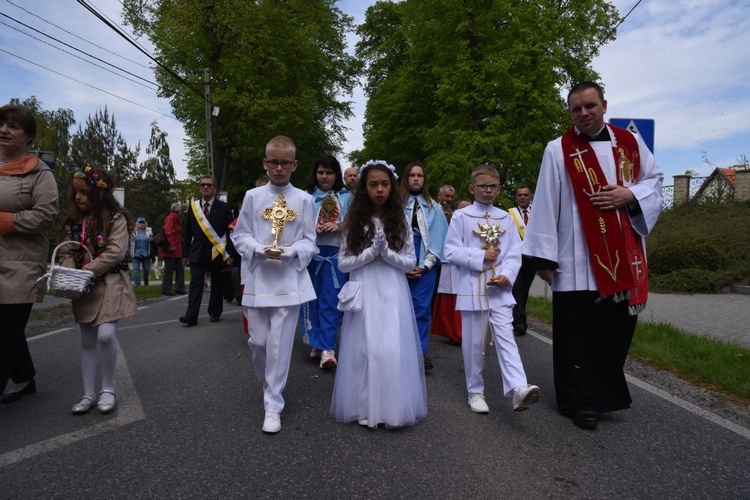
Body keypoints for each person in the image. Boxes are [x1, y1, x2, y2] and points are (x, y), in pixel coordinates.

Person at [523, 81, 663, 430]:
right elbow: (544, 203)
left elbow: (655, 181)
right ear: (570, 113)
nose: (584, 113)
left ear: (604, 105)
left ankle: (602, 395)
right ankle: (577, 401)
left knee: (614, 332)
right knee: (575, 335)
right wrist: (543, 257)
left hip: (623, 257)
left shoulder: (630, 143)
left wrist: (628, 196)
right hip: (575, 259)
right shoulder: (558, 149)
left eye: (590, 106)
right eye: (576, 109)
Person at [231, 135, 318, 433]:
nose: (279, 168)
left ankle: (273, 404)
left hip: (288, 278)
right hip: (258, 276)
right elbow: (239, 235)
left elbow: (310, 241)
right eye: (273, 162)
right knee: (258, 342)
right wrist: (257, 249)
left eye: (285, 163)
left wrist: (293, 252)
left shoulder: (305, 200)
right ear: (264, 163)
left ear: (294, 165)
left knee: (280, 345)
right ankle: (268, 382)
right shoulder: (253, 197)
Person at [331, 160, 427, 429]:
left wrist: (387, 254)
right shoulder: (354, 222)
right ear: (365, 188)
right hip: (365, 288)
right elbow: (343, 263)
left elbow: (410, 262)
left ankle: (390, 407)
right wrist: (369, 253)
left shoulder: (400, 221)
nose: (380, 189)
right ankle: (364, 405)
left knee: (391, 348)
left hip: (392, 290)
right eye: (373, 184)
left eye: (385, 184)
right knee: (367, 348)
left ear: (392, 187)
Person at [444, 163, 540, 415]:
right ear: (472, 188)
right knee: (475, 343)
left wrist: (507, 276)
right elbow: (451, 251)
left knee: (506, 337)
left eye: (493, 186)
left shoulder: (505, 217)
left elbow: (513, 254)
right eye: (483, 186)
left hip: (499, 289)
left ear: (499, 188)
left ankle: (519, 388)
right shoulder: (461, 217)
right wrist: (480, 256)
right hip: (472, 287)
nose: (488, 191)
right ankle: (475, 390)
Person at [59, 167, 137, 414]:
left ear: (99, 194)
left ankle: (108, 387)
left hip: (111, 282)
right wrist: (72, 272)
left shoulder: (116, 218)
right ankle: (88, 393)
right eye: (76, 193)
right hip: (84, 287)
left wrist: (87, 270)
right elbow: (66, 250)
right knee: (87, 340)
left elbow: (116, 251)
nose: (78, 197)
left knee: (105, 335)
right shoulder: (74, 221)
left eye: (84, 192)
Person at [0, 105, 58, 404]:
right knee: (8, 330)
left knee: (6, 330)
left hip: (21, 264)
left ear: (29, 136)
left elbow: (47, 216)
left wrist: (10, 222)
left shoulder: (39, 173)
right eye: (1, 125)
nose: (4, 130)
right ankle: (23, 378)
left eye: (13, 126)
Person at [300, 154, 351, 369]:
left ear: (336, 174)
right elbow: (296, 226)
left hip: (336, 254)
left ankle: (328, 347)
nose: (324, 176)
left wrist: (340, 226)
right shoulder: (305, 196)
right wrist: (312, 228)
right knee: (311, 300)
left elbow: (357, 222)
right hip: (311, 255)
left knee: (331, 300)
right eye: (320, 172)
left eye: (329, 173)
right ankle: (317, 341)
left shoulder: (347, 196)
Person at [401, 161, 448, 370]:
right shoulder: (395, 204)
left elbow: (440, 238)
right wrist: (402, 264)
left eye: (420, 175)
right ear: (406, 178)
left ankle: (419, 352)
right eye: (412, 175)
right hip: (399, 261)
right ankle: (398, 351)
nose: (416, 179)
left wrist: (426, 264)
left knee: (421, 307)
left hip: (426, 261)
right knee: (399, 308)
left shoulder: (434, 208)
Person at [180, 175, 234, 326]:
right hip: (197, 252)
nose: (205, 187)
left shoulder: (223, 208)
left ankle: (215, 312)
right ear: (199, 188)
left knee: (217, 283)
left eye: (209, 185)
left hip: (217, 251)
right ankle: (191, 315)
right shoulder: (193, 207)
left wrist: (230, 253)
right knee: (196, 283)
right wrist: (185, 253)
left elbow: (231, 233)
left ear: (214, 189)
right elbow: (188, 232)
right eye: (203, 185)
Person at [430, 197, 471, 346]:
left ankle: (465, 333)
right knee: (449, 300)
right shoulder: (447, 224)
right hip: (450, 266)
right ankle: (453, 333)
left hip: (469, 266)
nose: (464, 212)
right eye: (461, 209)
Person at [508, 185, 535, 336]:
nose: (523, 197)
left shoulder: (537, 213)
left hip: (531, 258)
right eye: (520, 195)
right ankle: (519, 322)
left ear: (530, 197)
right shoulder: (510, 214)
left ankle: (518, 317)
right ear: (516, 197)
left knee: (524, 290)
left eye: (525, 195)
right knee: (517, 288)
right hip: (516, 257)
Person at [159, 202, 186, 296]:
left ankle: (179, 288)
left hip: (177, 248)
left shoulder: (176, 219)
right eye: (181, 210)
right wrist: (171, 245)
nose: (181, 212)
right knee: (169, 270)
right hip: (171, 248)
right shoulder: (171, 218)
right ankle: (167, 289)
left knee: (180, 268)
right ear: (177, 211)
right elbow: (168, 232)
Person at [131, 216, 153, 286]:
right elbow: (130, 241)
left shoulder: (149, 230)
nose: (141, 224)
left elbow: (152, 240)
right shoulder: (133, 231)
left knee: (146, 269)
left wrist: (151, 239)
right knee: (136, 269)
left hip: (146, 253)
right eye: (140, 222)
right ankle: (137, 284)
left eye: (143, 222)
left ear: (145, 223)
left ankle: (146, 282)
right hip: (136, 253)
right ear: (137, 223)